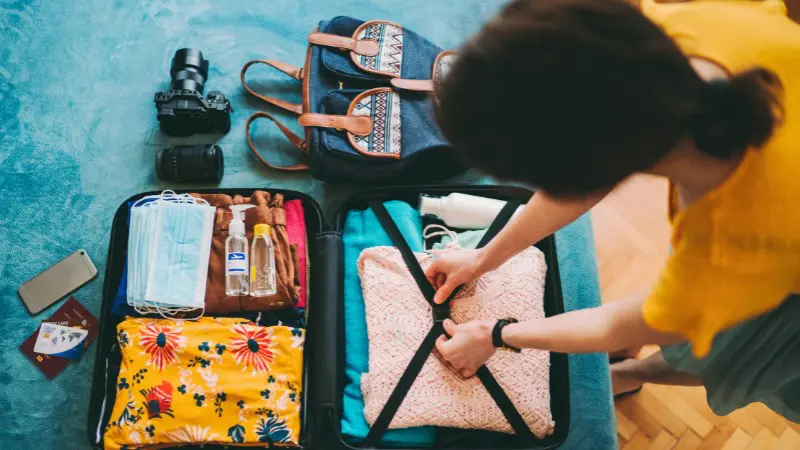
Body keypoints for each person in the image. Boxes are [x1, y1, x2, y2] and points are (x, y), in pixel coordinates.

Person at [427, 0, 800, 421]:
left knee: (736, 354)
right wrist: (482, 257)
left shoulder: (729, 251)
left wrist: (495, 334)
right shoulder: (687, 25)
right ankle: (630, 371)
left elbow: (622, 324)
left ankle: (629, 374)